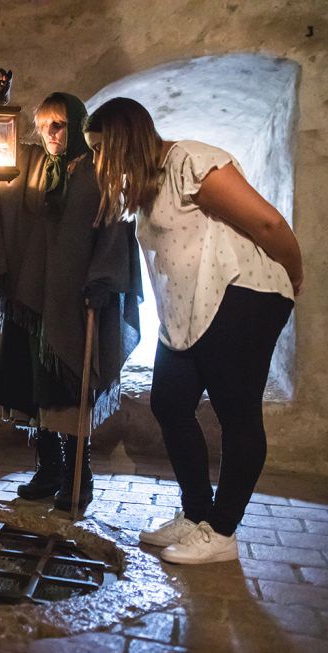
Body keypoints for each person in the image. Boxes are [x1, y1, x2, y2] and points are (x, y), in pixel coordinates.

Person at [83, 97, 303, 564]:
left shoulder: (190, 160)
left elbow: (267, 221)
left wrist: (295, 269)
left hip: (242, 296)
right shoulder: (147, 186)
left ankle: (222, 532)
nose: (99, 162)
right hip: (187, 313)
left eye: (101, 149)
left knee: (237, 414)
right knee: (169, 402)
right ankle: (197, 514)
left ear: (122, 139)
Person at [0, 93, 142, 511]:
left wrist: (103, 281)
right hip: (33, 294)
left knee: (71, 387)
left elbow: (115, 227)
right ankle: (49, 469)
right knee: (35, 386)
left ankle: (81, 477)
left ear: (76, 125)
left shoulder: (101, 170)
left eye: (57, 126)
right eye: (42, 128)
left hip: (75, 301)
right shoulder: (34, 163)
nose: (49, 135)